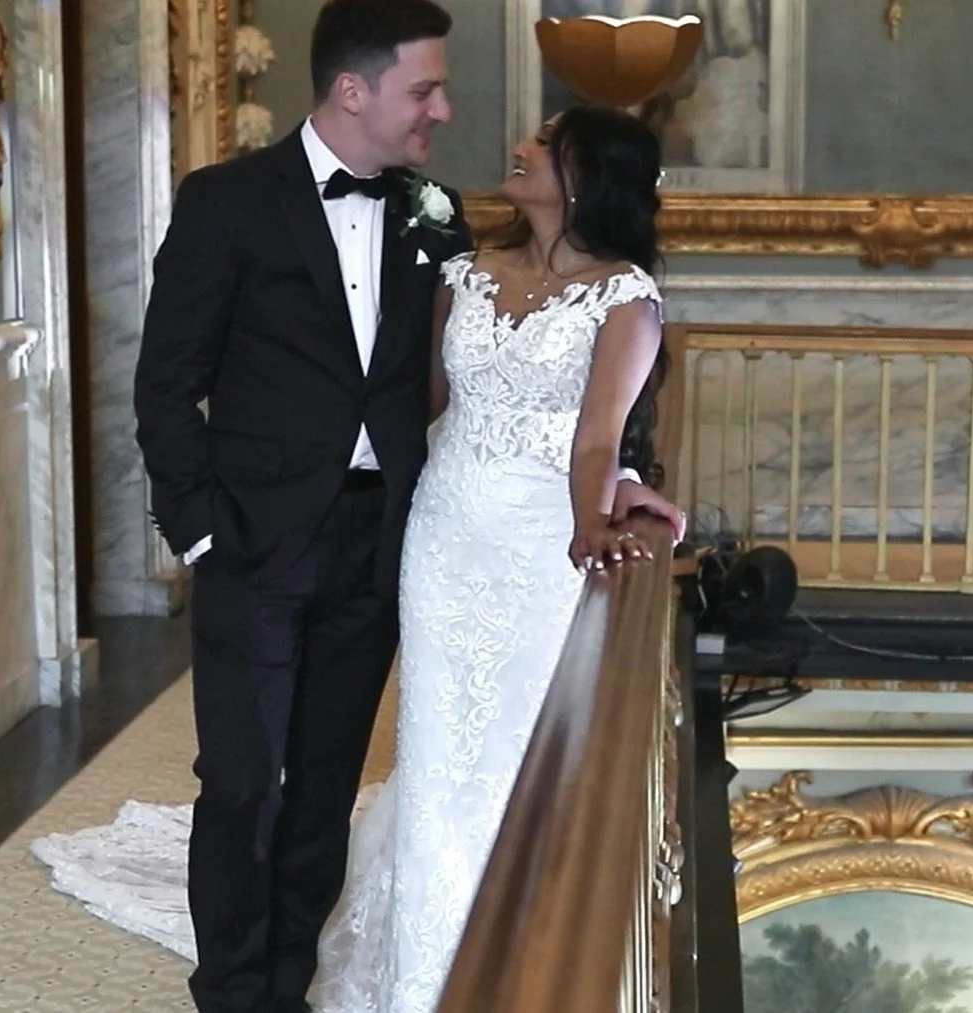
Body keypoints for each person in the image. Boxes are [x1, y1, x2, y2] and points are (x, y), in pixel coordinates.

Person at [103, 2, 680, 1012]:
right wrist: (196, 526)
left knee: (323, 787)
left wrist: (615, 478)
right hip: (252, 539)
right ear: (352, 90)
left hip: (391, 543)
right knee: (242, 784)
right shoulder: (224, 201)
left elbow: (506, 380)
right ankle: (233, 994)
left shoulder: (436, 216)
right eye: (424, 90)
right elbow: (165, 382)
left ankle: (291, 981)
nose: (443, 110)